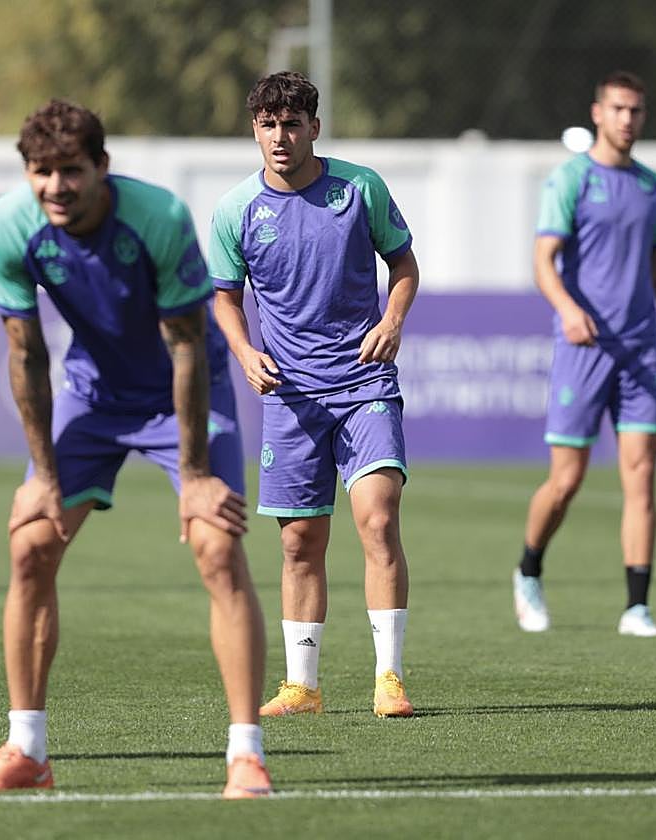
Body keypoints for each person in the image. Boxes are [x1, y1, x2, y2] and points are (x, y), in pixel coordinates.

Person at [0, 99, 271, 799]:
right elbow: (25, 352)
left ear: (103, 167)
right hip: (91, 396)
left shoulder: (157, 218)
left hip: (182, 392)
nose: (56, 187)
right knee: (30, 544)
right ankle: (27, 753)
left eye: (71, 171)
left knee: (217, 547)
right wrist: (42, 473)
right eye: (42, 172)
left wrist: (194, 476)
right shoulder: (8, 225)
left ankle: (246, 755)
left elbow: (189, 347)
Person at [210, 71, 420, 718]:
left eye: (292, 123)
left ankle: (389, 678)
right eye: (269, 125)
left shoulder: (359, 189)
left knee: (378, 519)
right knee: (299, 541)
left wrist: (390, 322)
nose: (281, 136)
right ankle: (302, 687)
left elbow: (404, 265)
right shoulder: (234, 211)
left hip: (363, 383)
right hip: (291, 396)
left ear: (314, 129)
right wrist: (245, 353)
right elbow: (223, 296)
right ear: (255, 130)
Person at [513, 71, 656, 638]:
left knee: (641, 478)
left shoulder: (652, 187)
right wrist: (569, 310)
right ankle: (528, 570)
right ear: (598, 113)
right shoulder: (570, 179)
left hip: (641, 349)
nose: (627, 119)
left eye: (637, 110)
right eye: (618, 108)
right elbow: (544, 259)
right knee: (566, 480)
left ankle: (637, 606)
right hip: (584, 349)